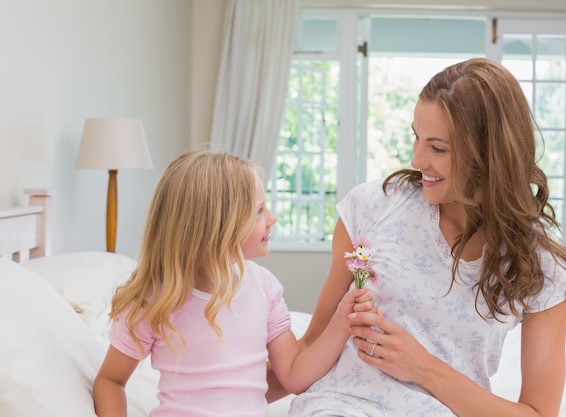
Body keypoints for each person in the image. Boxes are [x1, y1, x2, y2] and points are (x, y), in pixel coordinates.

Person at [270, 58, 566, 417]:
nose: (417, 159)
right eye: (416, 137)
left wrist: (424, 368)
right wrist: (214, 393)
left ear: (489, 155)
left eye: (438, 148)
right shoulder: (374, 206)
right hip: (339, 407)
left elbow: (538, 412)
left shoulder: (541, 266)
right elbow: (312, 345)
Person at [92, 149, 375, 417]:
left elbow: (293, 376)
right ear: (217, 225)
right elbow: (111, 380)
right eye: (259, 210)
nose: (272, 218)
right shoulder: (155, 298)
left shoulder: (265, 288)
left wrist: (341, 323)